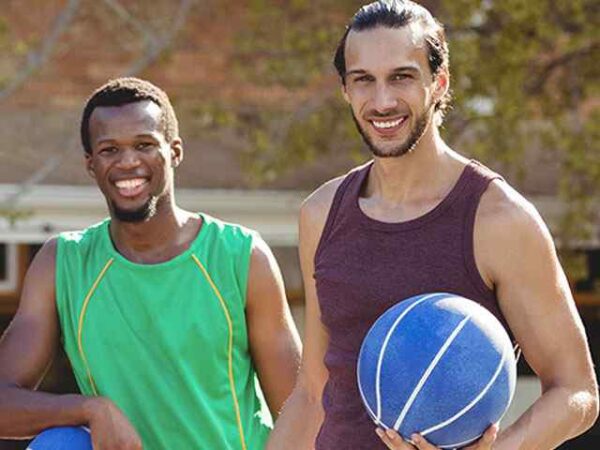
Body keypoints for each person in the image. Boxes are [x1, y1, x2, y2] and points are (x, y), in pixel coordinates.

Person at [266, 1, 598, 449]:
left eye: (401, 77)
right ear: (345, 89)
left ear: (439, 83)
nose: (382, 101)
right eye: (363, 80)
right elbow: (312, 392)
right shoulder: (321, 213)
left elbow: (576, 390)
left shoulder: (498, 220)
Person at [0, 77, 301, 449]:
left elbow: (301, 411)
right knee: (60, 445)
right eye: (109, 149)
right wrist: (89, 409)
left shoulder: (241, 256)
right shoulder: (63, 263)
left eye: (144, 145)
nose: (128, 162)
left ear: (174, 152)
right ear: (91, 164)